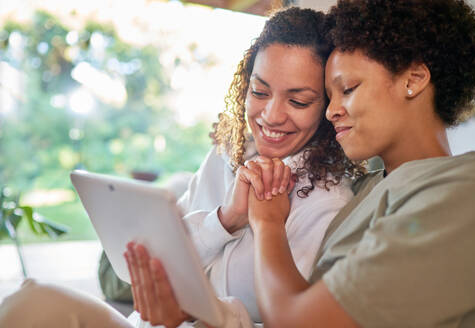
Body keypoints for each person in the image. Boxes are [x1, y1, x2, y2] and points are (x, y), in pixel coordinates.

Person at [124, 0, 475, 327]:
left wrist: (268, 221)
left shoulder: (467, 189)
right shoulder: (368, 188)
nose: (332, 112)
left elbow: (300, 320)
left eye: (347, 89)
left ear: (413, 80)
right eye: (329, 96)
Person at [0, 7, 362, 328]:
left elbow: (290, 318)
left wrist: (201, 314)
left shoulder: (327, 204)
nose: (270, 116)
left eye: (298, 100)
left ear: (327, 106)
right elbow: (164, 255)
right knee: (32, 301)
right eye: (260, 91)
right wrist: (224, 219)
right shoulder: (228, 153)